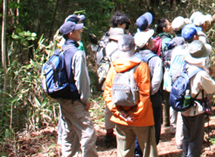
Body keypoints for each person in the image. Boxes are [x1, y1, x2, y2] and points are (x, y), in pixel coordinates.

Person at [103, 34, 157, 157]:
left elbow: (107, 92)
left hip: (121, 118)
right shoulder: (142, 66)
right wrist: (135, 114)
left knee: (124, 152)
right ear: (134, 48)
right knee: (149, 151)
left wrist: (119, 112)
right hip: (142, 118)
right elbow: (145, 94)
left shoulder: (114, 67)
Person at [56, 19, 97, 157]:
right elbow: (81, 79)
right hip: (75, 101)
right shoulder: (77, 53)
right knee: (88, 131)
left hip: (63, 100)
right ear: (70, 35)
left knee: (69, 133)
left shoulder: (60, 51)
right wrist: (85, 99)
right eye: (77, 30)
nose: (80, 31)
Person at [181, 40, 215, 157]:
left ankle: (185, 155)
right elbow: (211, 88)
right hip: (196, 109)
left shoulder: (184, 67)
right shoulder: (201, 74)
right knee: (196, 139)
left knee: (187, 136)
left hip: (184, 107)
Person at [100, 11, 131, 142]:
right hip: (122, 74)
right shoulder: (125, 38)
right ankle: (123, 131)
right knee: (124, 101)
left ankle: (109, 132)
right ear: (120, 24)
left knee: (109, 104)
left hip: (108, 75)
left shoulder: (105, 39)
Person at [170, 24, 200, 149]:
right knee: (188, 110)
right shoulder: (194, 51)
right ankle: (187, 143)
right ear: (194, 36)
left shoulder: (177, 49)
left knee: (182, 111)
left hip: (177, 82)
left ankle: (180, 140)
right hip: (189, 84)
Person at [135, 29, 164, 145]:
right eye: (151, 39)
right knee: (154, 126)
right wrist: (148, 92)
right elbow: (156, 82)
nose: (153, 41)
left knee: (139, 126)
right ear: (147, 44)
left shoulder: (133, 58)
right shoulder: (156, 60)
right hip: (153, 99)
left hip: (137, 99)